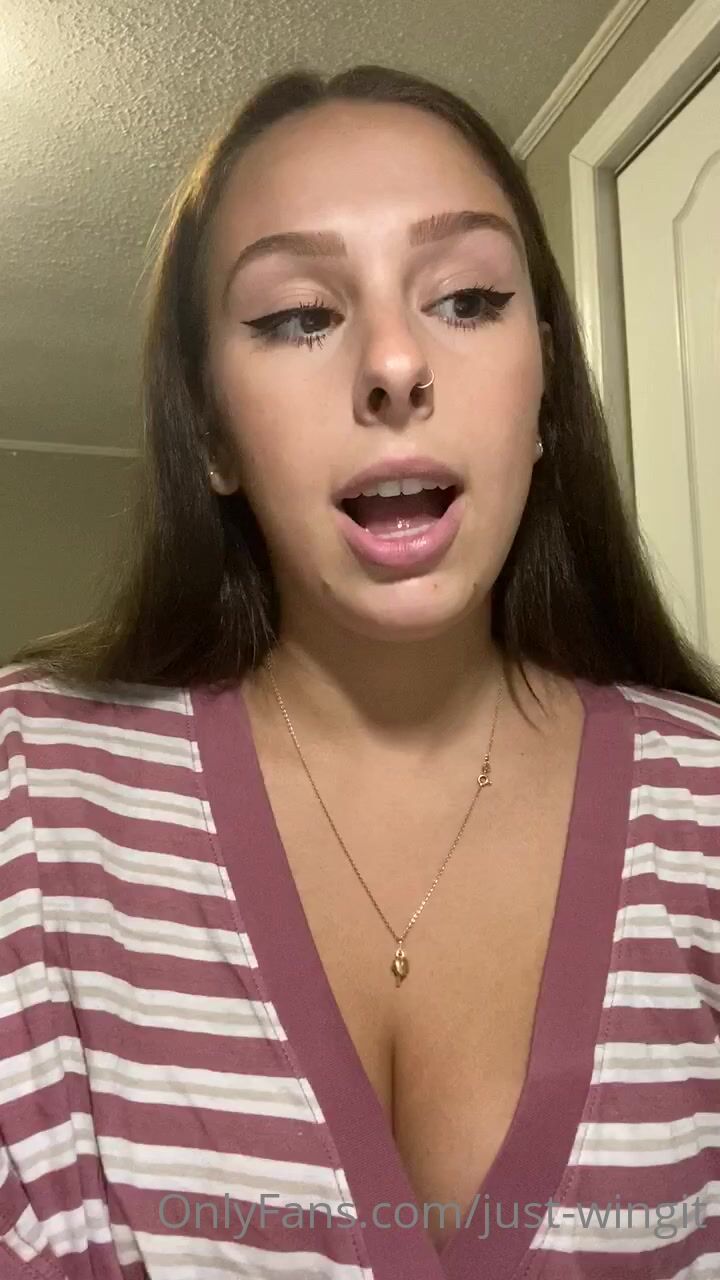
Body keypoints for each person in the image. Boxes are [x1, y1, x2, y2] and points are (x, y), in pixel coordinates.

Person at [1, 62, 719, 1280]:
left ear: (547, 391)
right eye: (299, 316)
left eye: (468, 298)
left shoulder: (705, 804)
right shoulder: (33, 792)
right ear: (212, 431)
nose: (393, 363)